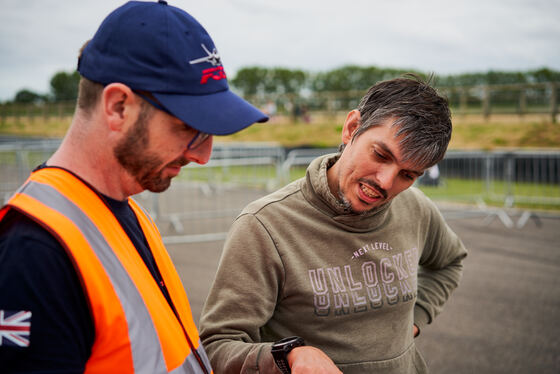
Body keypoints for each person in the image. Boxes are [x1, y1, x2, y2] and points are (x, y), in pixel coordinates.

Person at [0, 1, 267, 373]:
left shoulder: (125, 208)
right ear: (118, 107)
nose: (203, 156)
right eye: (189, 127)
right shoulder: (34, 252)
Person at [199, 75, 468, 374]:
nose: (385, 182)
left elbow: (450, 261)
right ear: (351, 128)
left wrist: (415, 320)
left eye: (408, 174)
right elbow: (217, 346)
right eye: (380, 155)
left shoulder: (415, 208)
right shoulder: (265, 226)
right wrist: (288, 358)